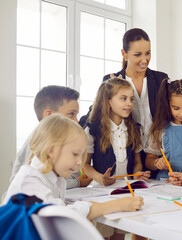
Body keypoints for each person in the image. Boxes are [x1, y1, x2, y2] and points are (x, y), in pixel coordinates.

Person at [3, 114, 144, 221]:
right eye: (75, 154)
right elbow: (62, 215)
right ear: (51, 150)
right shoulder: (30, 179)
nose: (79, 163)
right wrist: (117, 205)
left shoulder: (56, 178)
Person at [79, 28, 168, 179]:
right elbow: (96, 110)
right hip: (130, 153)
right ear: (124, 53)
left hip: (157, 155)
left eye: (148, 53)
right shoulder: (112, 80)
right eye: (137, 54)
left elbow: (169, 114)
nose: (144, 59)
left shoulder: (161, 79)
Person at [83, 78, 150, 239]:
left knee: (119, 236)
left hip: (125, 192)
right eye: (123, 98)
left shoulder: (134, 129)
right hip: (101, 195)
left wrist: (138, 174)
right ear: (108, 102)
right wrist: (99, 178)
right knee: (103, 235)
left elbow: (137, 163)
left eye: (131, 99)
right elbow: (84, 165)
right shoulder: (93, 129)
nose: (129, 104)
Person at [10, 85, 92, 189]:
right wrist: (77, 182)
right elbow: (40, 184)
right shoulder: (38, 140)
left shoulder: (62, 141)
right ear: (49, 115)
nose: (76, 121)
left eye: (76, 115)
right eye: (71, 114)